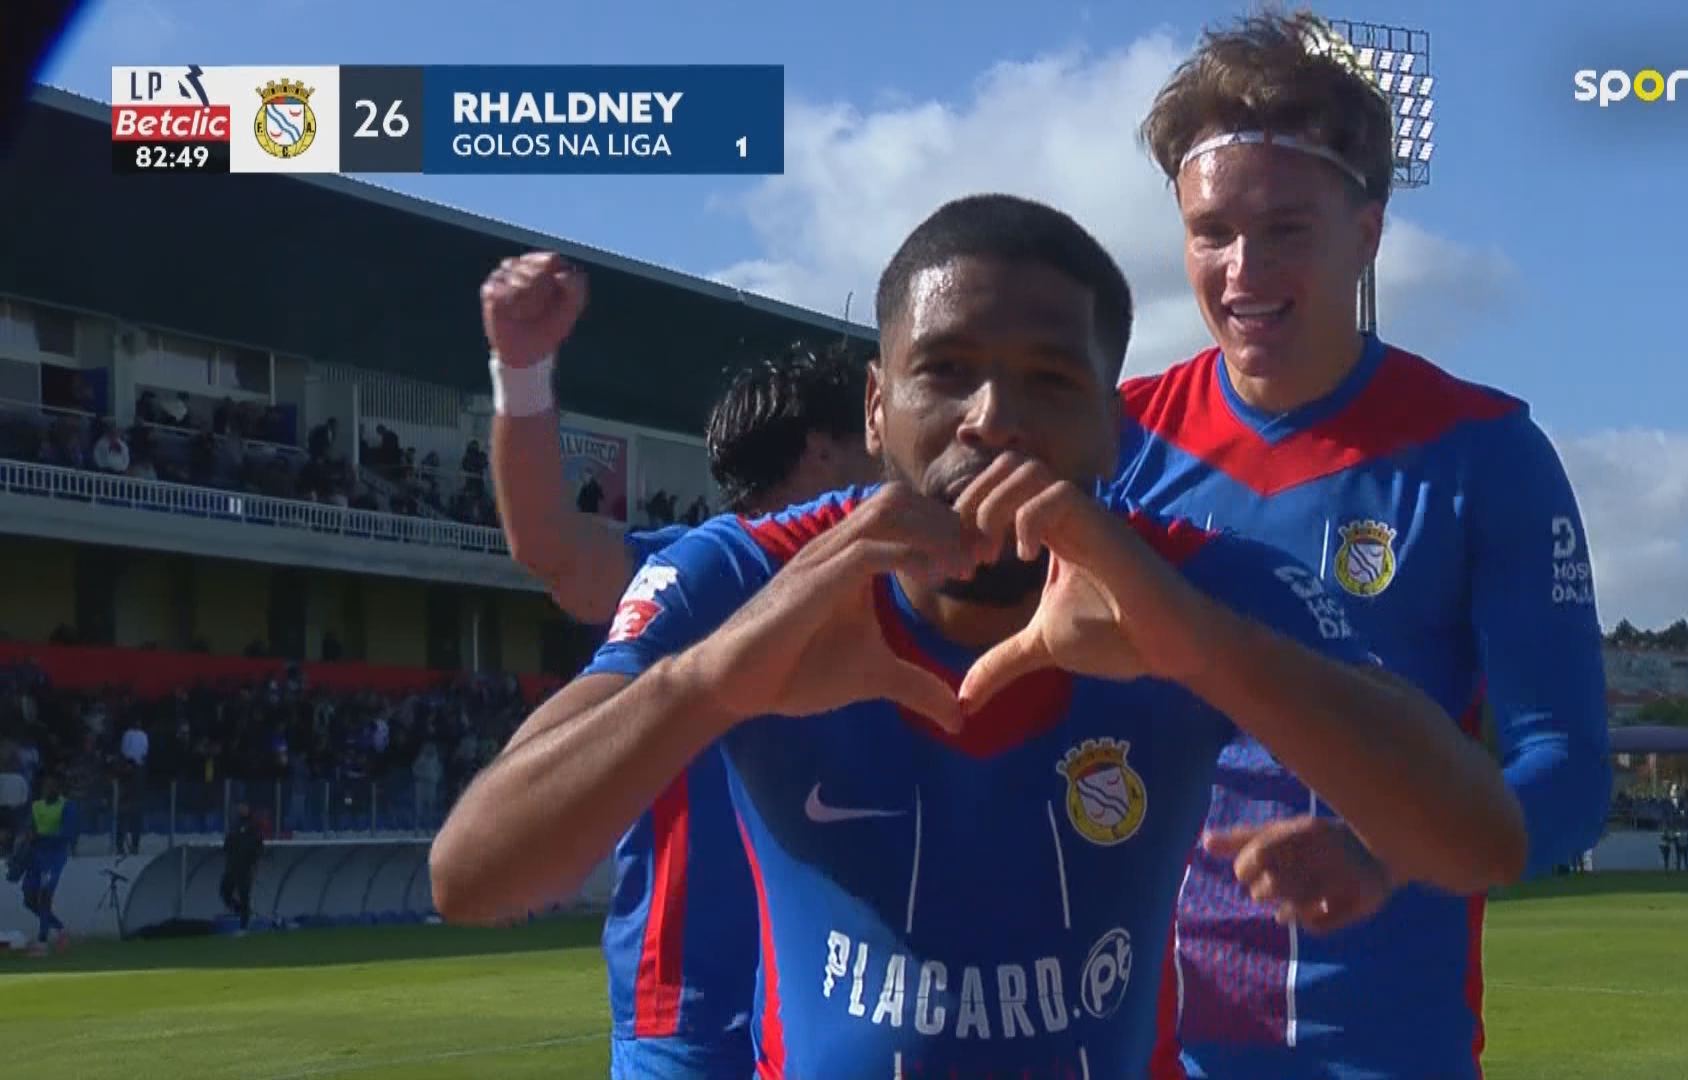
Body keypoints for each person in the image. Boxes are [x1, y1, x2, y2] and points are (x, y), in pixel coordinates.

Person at [432, 193, 1528, 1076]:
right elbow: (473, 876)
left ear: (1113, 424)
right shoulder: (749, 575)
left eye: (1049, 379)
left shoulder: (1189, 584)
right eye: (946, 371)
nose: (993, 417)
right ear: (876, 409)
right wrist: (718, 681)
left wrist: (1198, 648)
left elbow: (1480, 843)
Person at [1112, 12, 1612, 1078]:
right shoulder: (1113, 444)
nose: (1242, 269)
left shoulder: (1484, 453)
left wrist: (1391, 854)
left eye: (1285, 229)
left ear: (1369, 234)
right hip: (1133, 1050)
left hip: (1382, 1052)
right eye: (1211, 231)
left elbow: (1568, 774)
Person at [479, 253, 876, 1080]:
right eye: (871, 442)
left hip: (839, 1004)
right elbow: (548, 543)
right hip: (695, 1014)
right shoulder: (689, 572)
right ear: (822, 450)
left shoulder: (892, 591)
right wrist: (522, 372)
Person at [20, 774, 74, 955]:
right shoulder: (36, 806)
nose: (49, 790)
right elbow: (29, 827)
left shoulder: (66, 806)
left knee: (45, 895)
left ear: (59, 789)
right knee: (29, 899)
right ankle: (60, 928)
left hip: (54, 858)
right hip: (36, 857)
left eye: (53, 786)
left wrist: (40, 837)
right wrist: (27, 835)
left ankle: (42, 941)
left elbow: (66, 834)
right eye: (47, 786)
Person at [220, 803, 265, 931]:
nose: (241, 809)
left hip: (245, 867)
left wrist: (255, 866)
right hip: (232, 866)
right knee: (225, 891)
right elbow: (227, 846)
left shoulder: (253, 827)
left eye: (244, 807)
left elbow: (259, 848)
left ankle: (244, 925)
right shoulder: (234, 826)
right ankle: (241, 910)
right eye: (240, 808)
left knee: (244, 895)